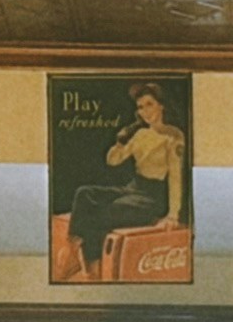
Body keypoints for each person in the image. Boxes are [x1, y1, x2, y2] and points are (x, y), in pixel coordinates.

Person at [62, 82, 185, 277]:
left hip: (153, 197)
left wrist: (173, 214)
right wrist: (121, 141)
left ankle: (92, 269)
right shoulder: (140, 134)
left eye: (149, 104)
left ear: (161, 105)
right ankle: (72, 251)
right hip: (134, 187)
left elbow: (176, 176)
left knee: (107, 211)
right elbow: (112, 160)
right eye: (140, 107)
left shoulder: (174, 136)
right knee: (84, 193)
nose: (144, 111)